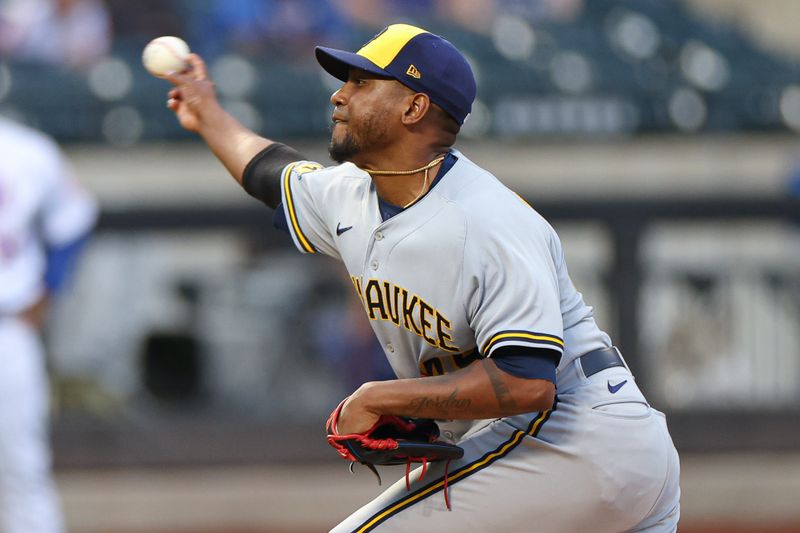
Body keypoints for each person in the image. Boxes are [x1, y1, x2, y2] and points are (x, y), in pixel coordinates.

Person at [165, 23, 680, 532]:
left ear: (413, 108)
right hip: (576, 448)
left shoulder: (488, 221)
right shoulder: (350, 194)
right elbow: (269, 174)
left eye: (362, 83)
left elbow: (528, 382)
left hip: (577, 433)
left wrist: (381, 397)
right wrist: (206, 112)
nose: (339, 96)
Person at [0, 116, 97, 533]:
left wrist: (49, 288)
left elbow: (74, 219)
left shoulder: (25, 149)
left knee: (22, 472)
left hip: (6, 330)